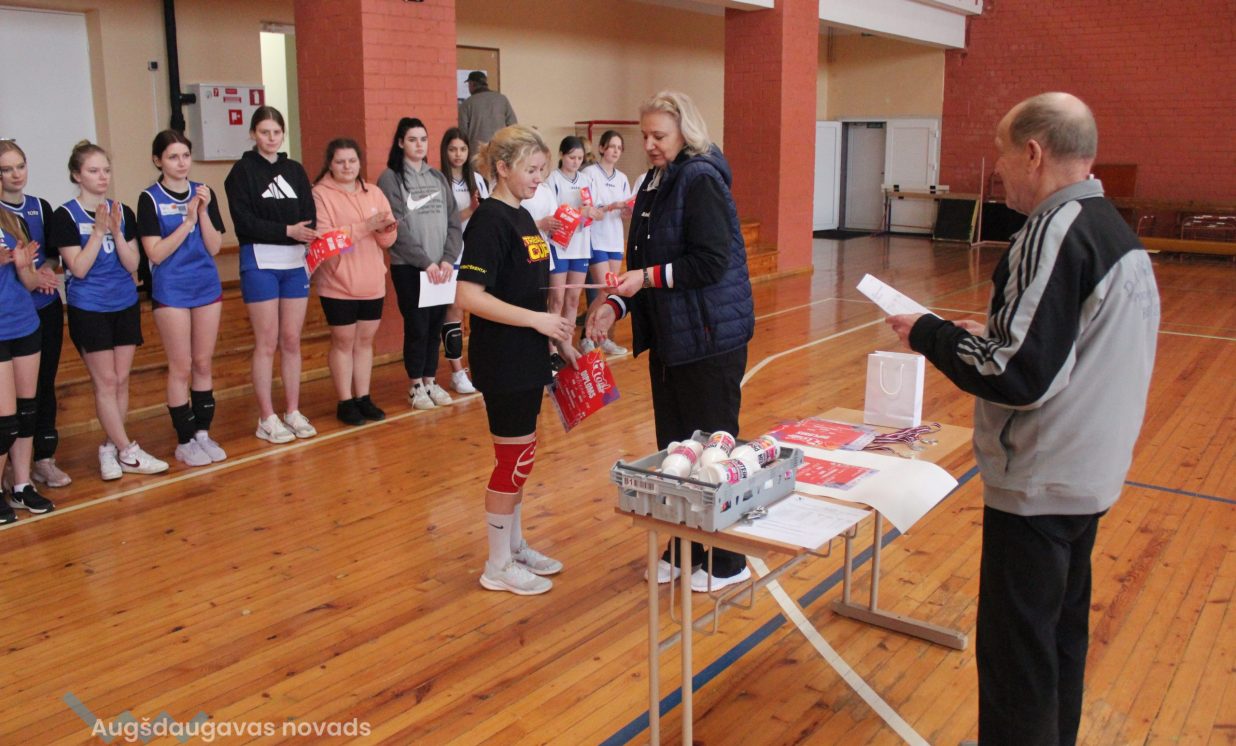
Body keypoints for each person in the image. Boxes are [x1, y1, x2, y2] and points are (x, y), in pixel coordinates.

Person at [886, 92, 1160, 746]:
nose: (999, 170)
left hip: (1041, 479)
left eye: (1003, 154)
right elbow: (1062, 344)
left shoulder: (1054, 230)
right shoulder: (1110, 228)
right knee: (1058, 642)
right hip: (1088, 475)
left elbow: (1016, 375)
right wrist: (989, 332)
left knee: (1018, 662)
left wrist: (929, 332)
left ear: (1033, 153)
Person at [585, 90, 755, 591]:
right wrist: (615, 304)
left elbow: (710, 262)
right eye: (645, 136)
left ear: (685, 131)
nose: (649, 145)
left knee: (713, 456)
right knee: (676, 452)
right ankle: (685, 548)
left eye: (658, 135)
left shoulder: (701, 179)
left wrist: (645, 278)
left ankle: (726, 560)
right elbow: (641, 265)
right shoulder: (656, 182)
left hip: (710, 339)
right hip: (671, 340)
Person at [456, 125, 577, 596]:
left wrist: (557, 337)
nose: (538, 178)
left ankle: (515, 545)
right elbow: (469, 296)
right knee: (512, 459)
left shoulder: (523, 216)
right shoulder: (489, 221)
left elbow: (528, 290)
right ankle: (497, 564)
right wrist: (537, 322)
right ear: (502, 168)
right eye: (531, 169)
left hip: (529, 353)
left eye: (542, 169)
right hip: (502, 357)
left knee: (522, 457)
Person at [49, 141, 168, 479]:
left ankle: (110, 448)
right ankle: (129, 450)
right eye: (93, 171)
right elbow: (79, 268)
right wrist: (98, 232)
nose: (102, 177)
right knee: (105, 381)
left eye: (106, 170)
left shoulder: (122, 211)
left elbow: (132, 263)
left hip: (124, 303)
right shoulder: (65, 215)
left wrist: (115, 230)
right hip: (89, 307)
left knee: (121, 380)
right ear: (77, 175)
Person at [224, 106, 319, 444]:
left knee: (291, 339)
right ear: (253, 134)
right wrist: (286, 230)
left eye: (276, 132)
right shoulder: (241, 172)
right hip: (260, 262)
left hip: (294, 263)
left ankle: (292, 410)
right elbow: (244, 222)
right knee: (266, 341)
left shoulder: (294, 170)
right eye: (264, 132)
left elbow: (309, 214)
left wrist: (301, 232)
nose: (271, 138)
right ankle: (266, 416)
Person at [138, 130, 227, 467]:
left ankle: (203, 433)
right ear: (158, 160)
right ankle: (185, 439)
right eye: (173, 157)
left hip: (206, 286)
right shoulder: (149, 199)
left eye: (185, 156)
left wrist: (201, 212)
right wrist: (187, 221)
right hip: (171, 289)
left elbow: (215, 247)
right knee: (181, 365)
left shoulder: (204, 192)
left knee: (203, 362)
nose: (181, 163)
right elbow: (156, 253)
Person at [311, 138, 398, 425]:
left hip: (371, 280)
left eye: (352, 161)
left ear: (360, 162)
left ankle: (363, 397)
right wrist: (366, 226)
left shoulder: (374, 192)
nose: (347, 166)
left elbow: (387, 240)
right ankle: (345, 401)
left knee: (364, 342)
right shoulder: (320, 194)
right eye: (340, 161)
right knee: (343, 342)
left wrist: (386, 230)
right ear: (330, 164)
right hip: (337, 283)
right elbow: (326, 239)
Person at [377, 117, 462, 411]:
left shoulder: (437, 176)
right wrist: (426, 263)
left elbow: (454, 222)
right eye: (412, 139)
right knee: (417, 326)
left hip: (441, 268)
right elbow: (396, 227)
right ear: (401, 143)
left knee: (436, 324)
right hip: (411, 268)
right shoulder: (391, 178)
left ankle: (430, 380)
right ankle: (415, 385)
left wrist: (448, 259)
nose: (419, 145)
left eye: (423, 139)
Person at [0, 141, 71, 488]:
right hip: (10, 313)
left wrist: (44, 270)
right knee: (9, 402)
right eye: (6, 169)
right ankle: (11, 468)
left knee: (42, 385)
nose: (16, 174)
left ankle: (42, 459)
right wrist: (24, 270)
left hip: (43, 308)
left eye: (20, 166)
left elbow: (53, 255)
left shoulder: (40, 207)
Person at [0, 201, 55, 521]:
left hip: (24, 324)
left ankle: (22, 485)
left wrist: (24, 269)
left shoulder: (12, 221)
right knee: (5, 422)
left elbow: (31, 283)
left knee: (27, 411)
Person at [439, 127, 489, 395]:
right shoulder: (439, 180)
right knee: (454, 312)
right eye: (452, 149)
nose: (458, 154)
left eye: (462, 149)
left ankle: (476, 366)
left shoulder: (478, 179)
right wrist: (470, 210)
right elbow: (442, 222)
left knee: (479, 310)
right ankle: (456, 372)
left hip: (474, 253)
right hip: (450, 254)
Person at [546, 136, 604, 348]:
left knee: (572, 299)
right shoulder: (552, 179)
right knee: (556, 299)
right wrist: (580, 212)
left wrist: (596, 213)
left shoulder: (586, 180)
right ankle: (551, 348)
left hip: (580, 246)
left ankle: (567, 346)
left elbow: (597, 209)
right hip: (559, 246)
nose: (576, 162)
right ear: (561, 155)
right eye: (572, 157)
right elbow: (553, 215)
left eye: (580, 158)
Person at [580, 130, 632, 356]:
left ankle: (603, 338)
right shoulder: (589, 173)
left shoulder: (622, 178)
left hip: (615, 240)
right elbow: (588, 208)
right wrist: (611, 206)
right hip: (596, 238)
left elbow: (625, 212)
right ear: (601, 148)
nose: (615, 151)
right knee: (603, 290)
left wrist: (627, 209)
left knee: (611, 292)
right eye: (612, 146)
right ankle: (586, 337)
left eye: (619, 148)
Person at [457, 71, 517, 149]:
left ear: (471, 84)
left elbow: (463, 132)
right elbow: (513, 125)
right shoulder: (502, 99)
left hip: (477, 151)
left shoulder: (466, 104)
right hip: (500, 149)